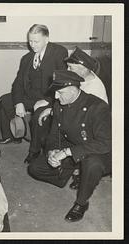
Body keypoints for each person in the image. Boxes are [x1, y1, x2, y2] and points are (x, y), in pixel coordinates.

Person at [28, 70, 111, 222]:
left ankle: (81, 203)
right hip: (74, 148)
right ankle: (74, 174)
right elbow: (54, 135)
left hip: (98, 151)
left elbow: (106, 143)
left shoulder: (97, 107)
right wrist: (52, 152)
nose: (55, 97)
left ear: (74, 89)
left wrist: (67, 152)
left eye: (60, 93)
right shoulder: (60, 105)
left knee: (92, 164)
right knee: (34, 168)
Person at [37, 47, 109, 189]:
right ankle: (66, 167)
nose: (68, 70)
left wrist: (66, 151)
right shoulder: (80, 79)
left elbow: (84, 116)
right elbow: (67, 101)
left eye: (71, 67)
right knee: (49, 134)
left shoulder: (95, 89)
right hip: (73, 122)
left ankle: (80, 170)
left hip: (88, 133)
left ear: (83, 68)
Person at [0, 24, 68, 163]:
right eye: (30, 41)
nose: (32, 45)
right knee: (4, 100)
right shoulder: (26, 58)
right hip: (30, 96)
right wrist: (19, 103)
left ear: (46, 39)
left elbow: (63, 83)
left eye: (36, 41)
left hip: (48, 99)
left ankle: (34, 151)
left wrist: (48, 101)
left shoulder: (59, 53)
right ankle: (12, 135)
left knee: (38, 116)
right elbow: (17, 84)